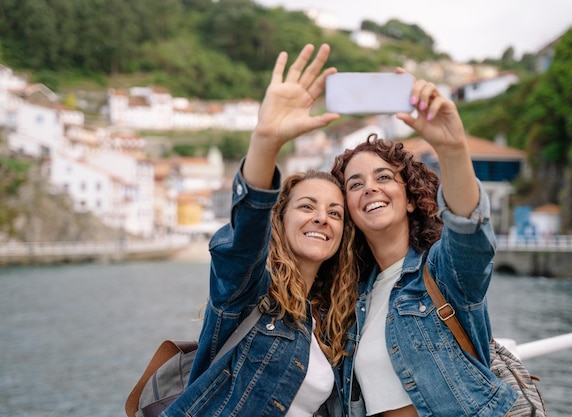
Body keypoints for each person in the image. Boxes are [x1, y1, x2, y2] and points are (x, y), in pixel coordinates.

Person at [163, 43, 357, 417]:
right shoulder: (249, 290)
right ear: (279, 219)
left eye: (335, 213)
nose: (322, 218)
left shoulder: (326, 320)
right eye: (306, 206)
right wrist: (266, 141)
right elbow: (242, 241)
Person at [330, 78, 519, 416]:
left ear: (410, 199)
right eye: (355, 184)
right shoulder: (352, 298)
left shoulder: (442, 273)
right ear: (349, 210)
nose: (370, 188)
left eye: (384, 177)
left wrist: (452, 148)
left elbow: (468, 230)